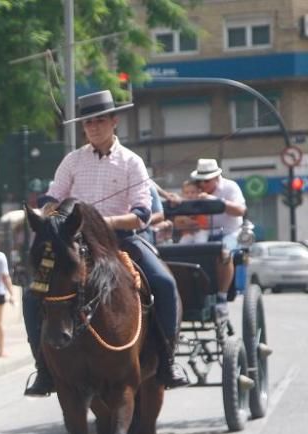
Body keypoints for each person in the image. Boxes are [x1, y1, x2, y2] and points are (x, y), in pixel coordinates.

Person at [23, 89, 189, 396]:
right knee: (33, 294)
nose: (93, 127)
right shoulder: (72, 161)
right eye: (88, 123)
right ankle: (43, 367)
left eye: (100, 120)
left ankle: (167, 361)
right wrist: (47, 216)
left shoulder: (132, 162)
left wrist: (100, 223)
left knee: (164, 283)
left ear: (114, 121)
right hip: (73, 244)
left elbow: (141, 213)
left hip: (122, 241)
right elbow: (51, 198)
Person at [188, 158, 247, 316]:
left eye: (206, 181)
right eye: (200, 181)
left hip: (230, 233)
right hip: (205, 233)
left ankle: (221, 297)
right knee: (185, 252)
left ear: (216, 178)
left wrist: (216, 201)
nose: (203, 185)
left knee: (224, 252)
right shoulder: (196, 191)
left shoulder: (230, 187)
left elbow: (240, 210)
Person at [173, 179, 210, 245]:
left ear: (198, 192)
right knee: (182, 245)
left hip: (201, 230)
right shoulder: (181, 205)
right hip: (187, 233)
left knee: (200, 243)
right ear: (182, 194)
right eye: (186, 193)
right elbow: (177, 219)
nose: (189, 195)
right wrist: (184, 219)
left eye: (193, 192)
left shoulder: (200, 202)